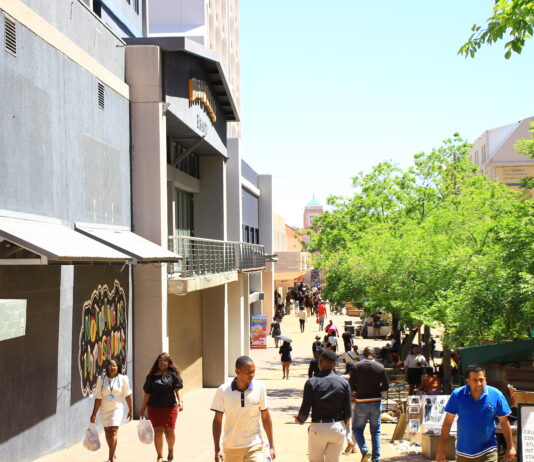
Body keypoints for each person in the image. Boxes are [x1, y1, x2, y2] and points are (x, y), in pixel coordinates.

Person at [436, 364, 515, 462]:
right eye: (475, 380)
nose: (479, 383)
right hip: (463, 452)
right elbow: (447, 423)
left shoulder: (496, 394)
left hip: (488, 451)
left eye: (481, 380)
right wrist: (440, 450)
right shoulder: (457, 395)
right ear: (468, 380)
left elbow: (504, 422)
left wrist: (511, 447)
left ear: (485, 379)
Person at [212, 356, 275, 462]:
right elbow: (217, 421)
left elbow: (265, 416)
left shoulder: (260, 388)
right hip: (231, 447)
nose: (252, 375)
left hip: (254, 445)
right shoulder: (223, 391)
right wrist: (217, 449)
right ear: (237, 371)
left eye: (253, 372)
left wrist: (272, 445)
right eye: (248, 372)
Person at [294, 350, 352, 462]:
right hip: (337, 427)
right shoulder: (344, 383)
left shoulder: (311, 382)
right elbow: (348, 412)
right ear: (335, 364)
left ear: (319, 362)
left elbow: (305, 409)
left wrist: (300, 420)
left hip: (318, 428)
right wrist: (342, 423)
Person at [140, 353, 184, 462]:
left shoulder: (174, 375)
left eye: (165, 360)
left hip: (170, 408)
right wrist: (142, 408)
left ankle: (170, 450)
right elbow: (147, 393)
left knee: (169, 431)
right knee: (158, 431)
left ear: (169, 363)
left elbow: (177, 389)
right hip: (154, 407)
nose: (162, 362)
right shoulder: (151, 376)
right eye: (160, 360)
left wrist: (180, 401)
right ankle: (159, 456)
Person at [348, 347, 389, 462]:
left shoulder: (357, 366)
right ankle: (376, 459)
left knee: (357, 429)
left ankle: (365, 450)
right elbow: (386, 386)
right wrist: (377, 389)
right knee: (375, 431)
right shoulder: (380, 367)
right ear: (374, 355)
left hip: (361, 402)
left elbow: (351, 385)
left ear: (363, 355)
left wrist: (358, 390)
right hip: (376, 402)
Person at [90, 359, 133, 462]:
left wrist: (131, 410)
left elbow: (127, 396)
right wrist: (94, 414)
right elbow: (98, 398)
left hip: (117, 409)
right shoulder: (101, 379)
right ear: (107, 367)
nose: (112, 368)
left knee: (113, 431)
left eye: (114, 366)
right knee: (108, 433)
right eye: (110, 366)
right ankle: (112, 451)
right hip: (104, 409)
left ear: (118, 367)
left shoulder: (123, 379)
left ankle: (110, 459)